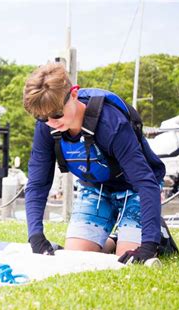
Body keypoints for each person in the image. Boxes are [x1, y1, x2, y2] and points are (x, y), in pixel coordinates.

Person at [23, 63, 167, 264]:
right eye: (42, 117)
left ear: (74, 94)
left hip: (135, 188)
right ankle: (113, 240)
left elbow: (146, 182)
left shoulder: (112, 124)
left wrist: (149, 245)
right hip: (96, 188)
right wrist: (36, 237)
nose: (51, 122)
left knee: (129, 260)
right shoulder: (47, 126)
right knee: (76, 257)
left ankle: (160, 237)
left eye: (57, 114)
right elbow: (37, 184)